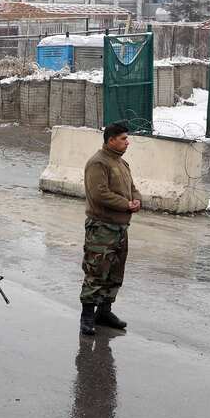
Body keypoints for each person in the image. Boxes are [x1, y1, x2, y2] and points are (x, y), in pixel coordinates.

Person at [79, 121, 140, 336]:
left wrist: (137, 200)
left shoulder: (121, 163)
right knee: (96, 272)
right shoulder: (98, 163)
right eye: (123, 138)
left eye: (127, 138)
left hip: (120, 227)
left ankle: (105, 311)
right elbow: (99, 194)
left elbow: (132, 188)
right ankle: (87, 316)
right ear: (111, 139)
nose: (127, 142)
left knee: (115, 272)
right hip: (102, 227)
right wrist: (126, 204)